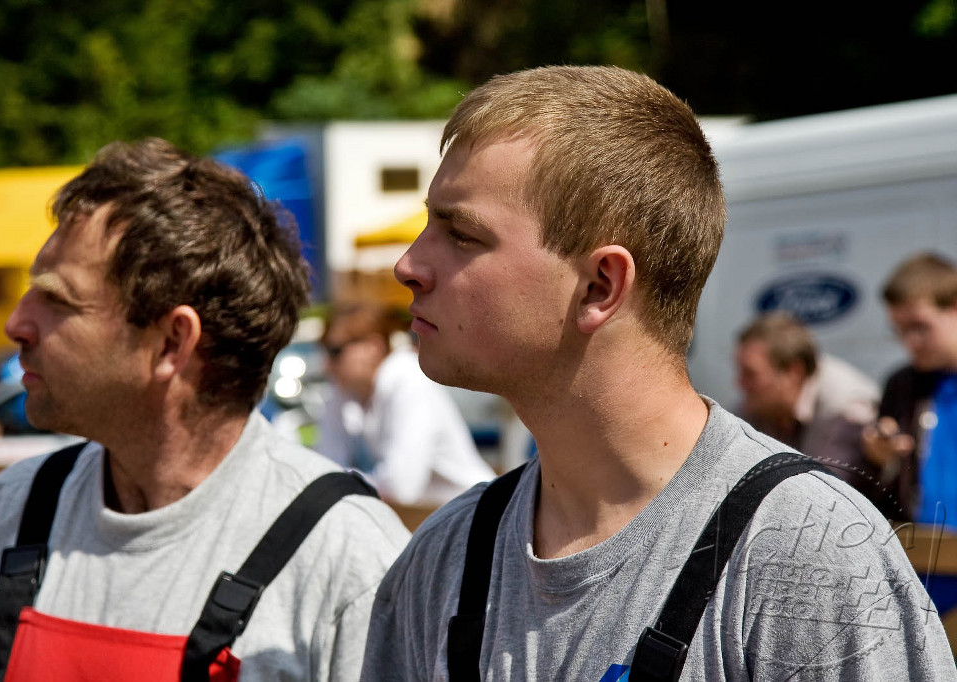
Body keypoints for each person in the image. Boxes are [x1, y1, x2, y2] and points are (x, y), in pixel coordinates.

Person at [360, 66, 955, 680]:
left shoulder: (807, 556)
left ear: (600, 286)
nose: (409, 266)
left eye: (461, 234)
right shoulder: (445, 559)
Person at [0, 138, 410, 681]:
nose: (16, 324)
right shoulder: (4, 514)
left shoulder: (344, 560)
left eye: (58, 300)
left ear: (171, 342)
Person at [317, 302, 495, 506]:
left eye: (335, 351)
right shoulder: (346, 392)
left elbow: (401, 488)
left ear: (373, 347)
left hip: (479, 513)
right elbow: (326, 468)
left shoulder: (408, 379)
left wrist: (341, 482)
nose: (325, 365)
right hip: (432, 514)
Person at [734, 312, 881, 497]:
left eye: (750, 374)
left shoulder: (845, 407)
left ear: (794, 372)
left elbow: (825, 491)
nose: (739, 383)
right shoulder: (756, 405)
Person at [862, 252, 957, 529]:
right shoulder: (902, 385)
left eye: (920, 327)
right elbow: (883, 487)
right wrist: (878, 457)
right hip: (921, 547)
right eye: (900, 330)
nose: (910, 342)